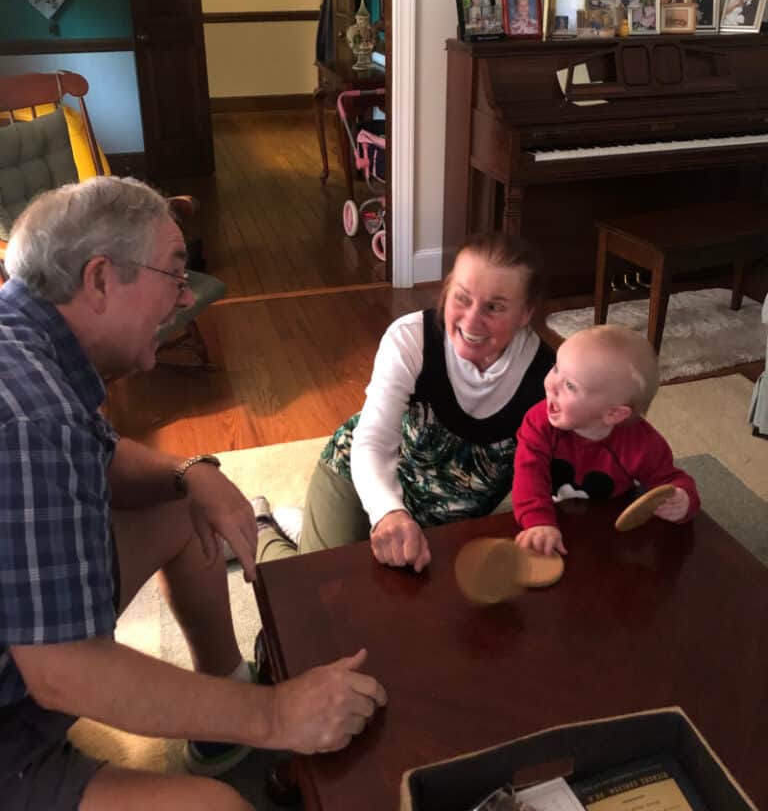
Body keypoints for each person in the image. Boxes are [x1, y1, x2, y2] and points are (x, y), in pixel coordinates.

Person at [0, 177, 386, 811]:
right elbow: (63, 670)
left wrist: (189, 474)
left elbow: (89, 454)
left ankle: (221, 708)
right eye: (174, 276)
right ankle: (243, 719)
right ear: (100, 280)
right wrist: (274, 715)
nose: (184, 297)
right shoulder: (33, 418)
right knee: (221, 808)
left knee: (181, 505)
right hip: (14, 723)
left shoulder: (28, 343)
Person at [256, 234, 555, 572]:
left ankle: (305, 529)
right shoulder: (411, 338)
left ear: (526, 312)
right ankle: (262, 528)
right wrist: (388, 511)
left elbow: (556, 467)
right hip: (362, 478)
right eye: (462, 297)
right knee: (314, 588)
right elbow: (373, 442)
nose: (471, 321)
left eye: (495, 307)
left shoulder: (549, 377)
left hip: (453, 517)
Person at [512, 325, 701, 557]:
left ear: (613, 414)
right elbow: (528, 473)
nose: (550, 384)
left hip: (609, 524)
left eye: (570, 386)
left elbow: (671, 480)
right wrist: (538, 521)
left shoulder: (642, 444)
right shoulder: (538, 422)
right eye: (555, 368)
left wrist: (682, 499)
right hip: (551, 513)